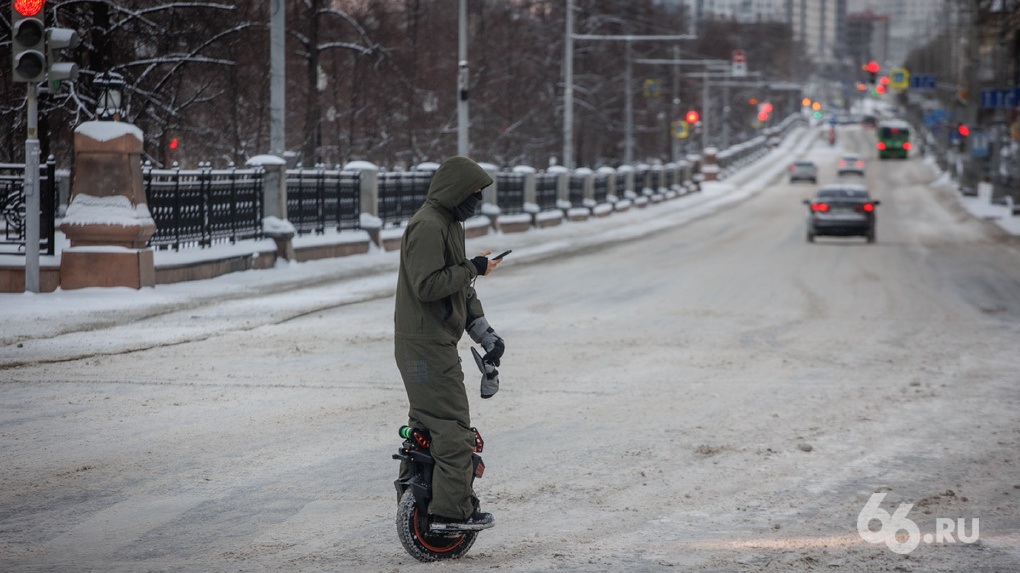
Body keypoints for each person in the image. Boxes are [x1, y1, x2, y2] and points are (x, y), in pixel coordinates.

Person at [394, 155, 506, 530]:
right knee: (453, 430)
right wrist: (471, 267)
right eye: (473, 193)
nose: (476, 201)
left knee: (427, 429)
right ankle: (449, 514)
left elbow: (458, 286)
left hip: (428, 342)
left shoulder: (448, 223)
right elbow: (428, 286)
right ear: (455, 190)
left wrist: (485, 334)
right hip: (425, 346)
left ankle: (420, 505)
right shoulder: (427, 225)